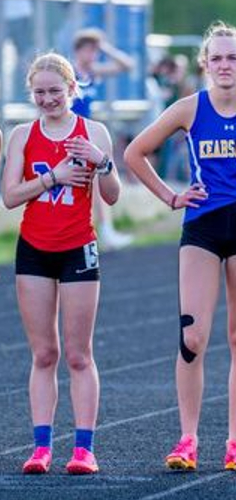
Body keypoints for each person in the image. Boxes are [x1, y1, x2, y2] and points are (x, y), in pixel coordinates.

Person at [123, 21, 236, 472]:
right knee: (193, 337)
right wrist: (170, 196)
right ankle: (187, 439)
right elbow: (134, 153)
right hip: (201, 226)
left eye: (232, 58)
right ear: (205, 64)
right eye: (217, 58)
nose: (225, 65)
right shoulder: (189, 108)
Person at [1, 52, 123, 475]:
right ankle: (40, 447)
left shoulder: (94, 131)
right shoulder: (22, 134)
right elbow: (10, 196)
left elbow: (111, 195)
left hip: (78, 248)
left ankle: (84, 449)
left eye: (56, 91)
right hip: (34, 247)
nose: (48, 99)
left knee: (78, 354)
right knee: (43, 353)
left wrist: (100, 160)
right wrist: (52, 177)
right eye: (40, 93)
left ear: (73, 89)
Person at [71, 27, 135, 250]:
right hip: (69, 135)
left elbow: (127, 65)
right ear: (79, 50)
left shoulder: (93, 71)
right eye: (89, 50)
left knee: (98, 180)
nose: (93, 55)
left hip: (85, 134)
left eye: (95, 51)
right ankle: (94, 231)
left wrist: (105, 47)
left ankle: (105, 230)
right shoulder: (70, 72)